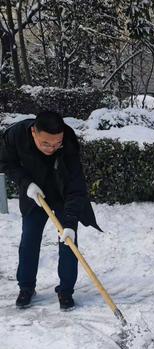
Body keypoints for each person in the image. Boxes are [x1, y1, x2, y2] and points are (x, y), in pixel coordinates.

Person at [0, 111, 100, 310]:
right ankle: (26, 287)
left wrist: (70, 223)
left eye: (56, 144)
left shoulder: (69, 142)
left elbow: (76, 186)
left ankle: (65, 291)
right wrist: (25, 183)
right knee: (29, 239)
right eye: (46, 143)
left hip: (62, 195)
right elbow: (5, 162)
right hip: (34, 194)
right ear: (34, 133)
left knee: (69, 242)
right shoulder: (16, 135)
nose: (52, 148)